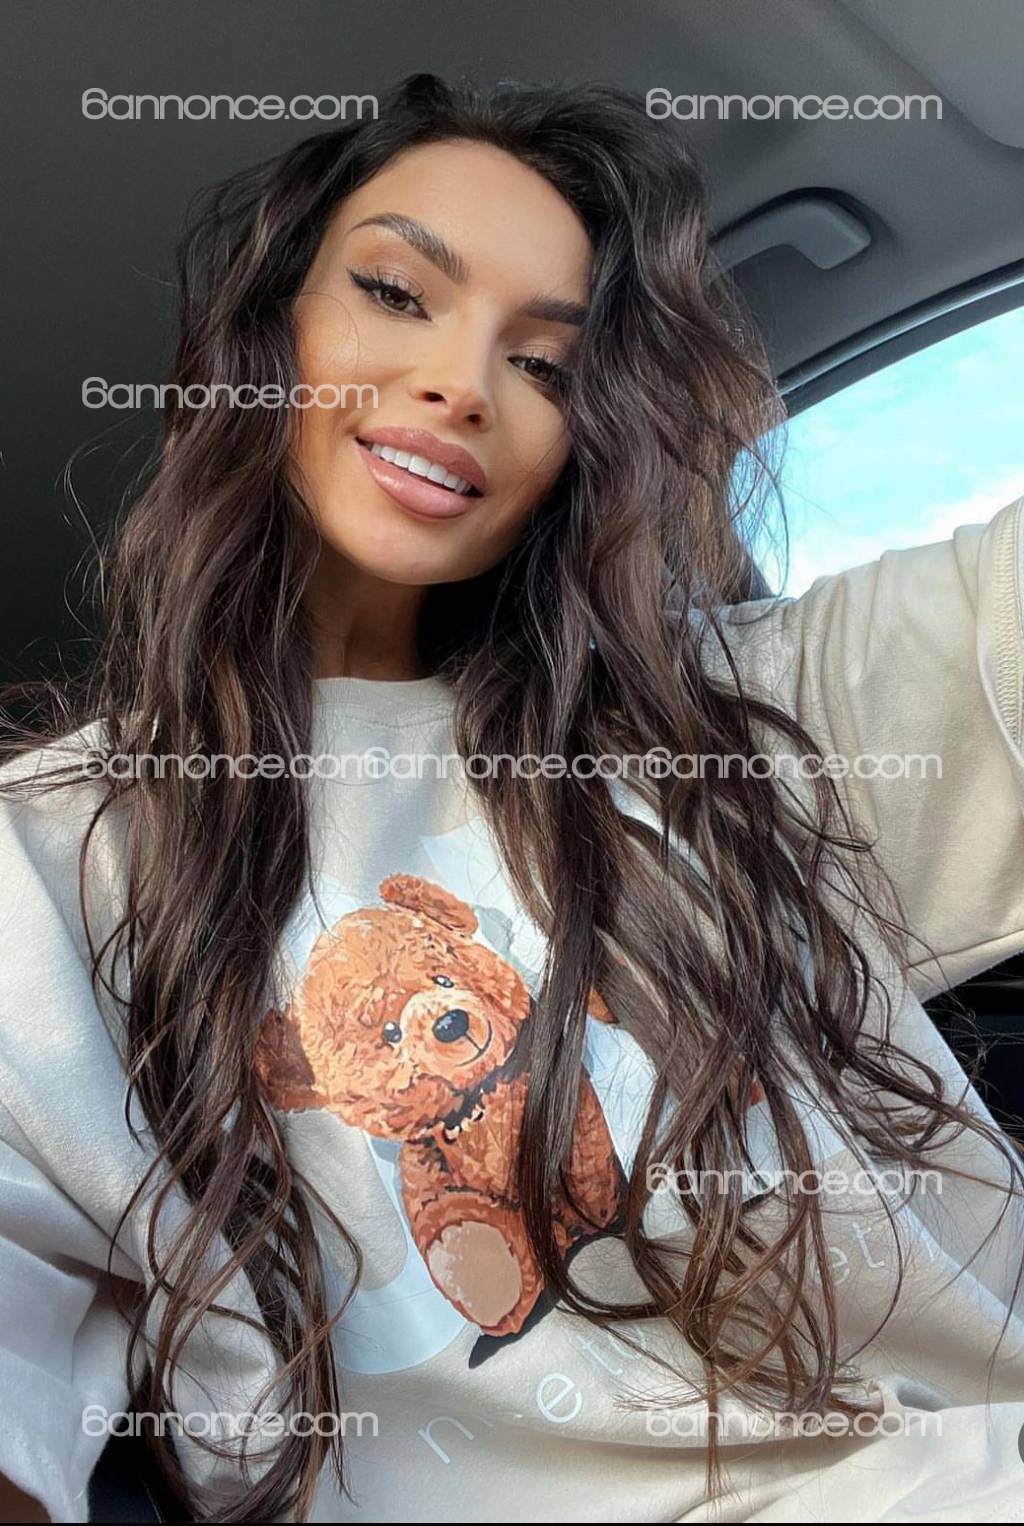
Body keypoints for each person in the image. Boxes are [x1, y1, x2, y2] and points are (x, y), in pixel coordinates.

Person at [0, 72, 1022, 1526]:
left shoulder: (737, 712)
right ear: (268, 331)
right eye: (395, 292)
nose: (466, 384)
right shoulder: (57, 858)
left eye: (545, 365)